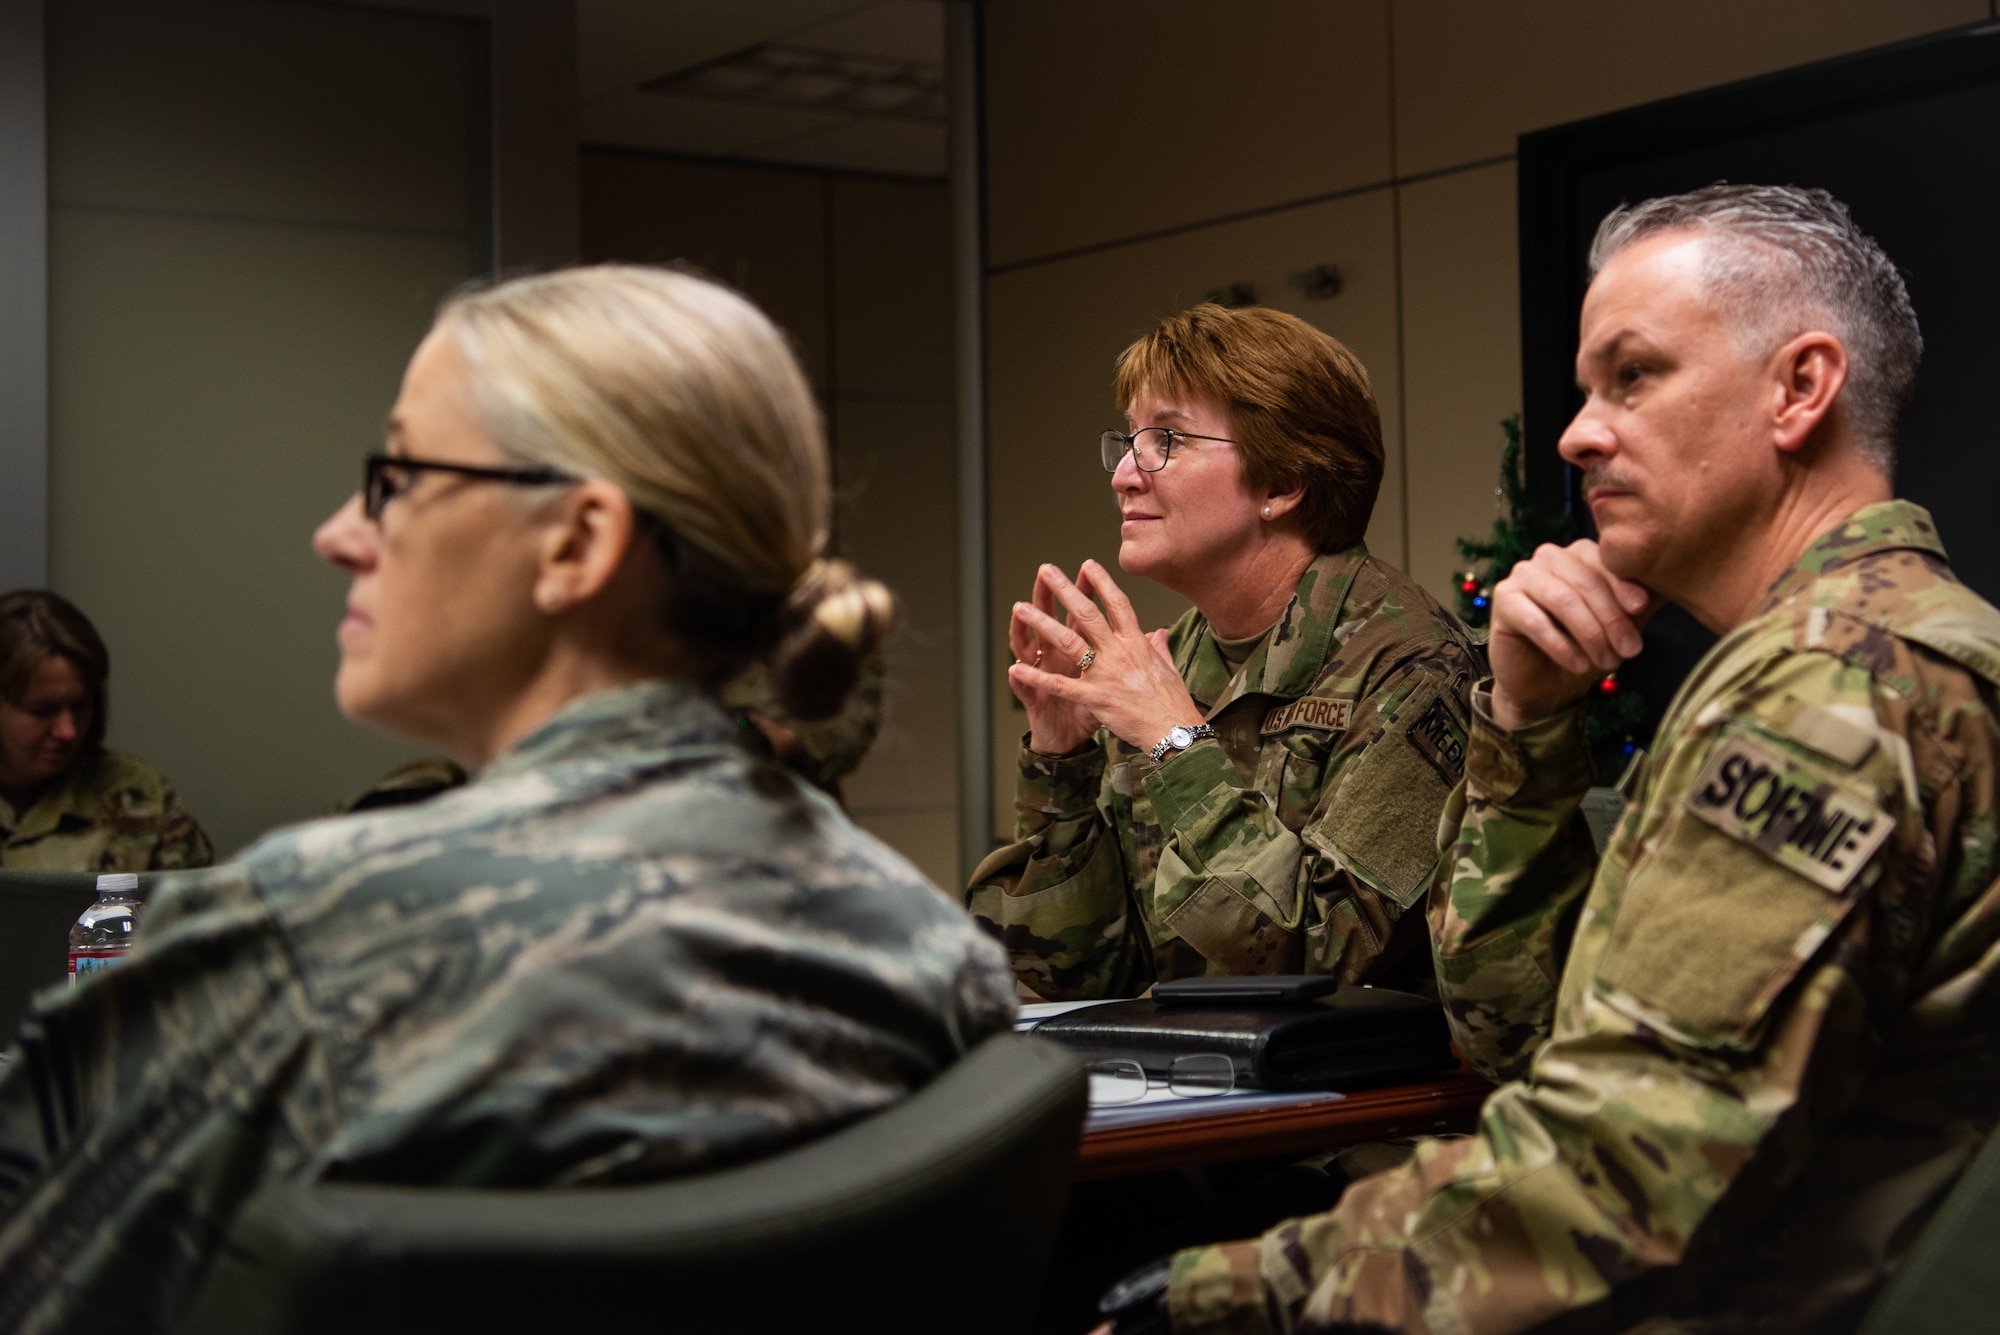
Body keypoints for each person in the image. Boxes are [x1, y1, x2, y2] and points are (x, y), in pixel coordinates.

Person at [0, 265, 1016, 1333]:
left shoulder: (310, 939)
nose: (341, 531)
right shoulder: (926, 951)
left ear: (575, 544)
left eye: (394, 475)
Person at [1117, 185, 2000, 1335]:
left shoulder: (1831, 689)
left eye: (1632, 377)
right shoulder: (1868, 652)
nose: (1578, 432)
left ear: (1798, 389)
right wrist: (1525, 733)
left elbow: (1613, 1183)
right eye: (1585, 389)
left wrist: (1202, 1299)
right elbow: (1519, 1043)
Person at [966, 304, 1481, 999]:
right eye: (1129, 441)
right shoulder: (1166, 661)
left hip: (1348, 1100)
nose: (1123, 474)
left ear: (1280, 484)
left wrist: (1178, 744)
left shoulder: (1416, 667)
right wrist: (1061, 761)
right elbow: (1068, 975)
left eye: (1168, 440)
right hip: (1187, 1084)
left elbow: (1329, 960)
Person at [0, 589, 212, 871]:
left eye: (80, 706)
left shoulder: (139, 797)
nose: (68, 731)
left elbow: (197, 908)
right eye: (43, 710)